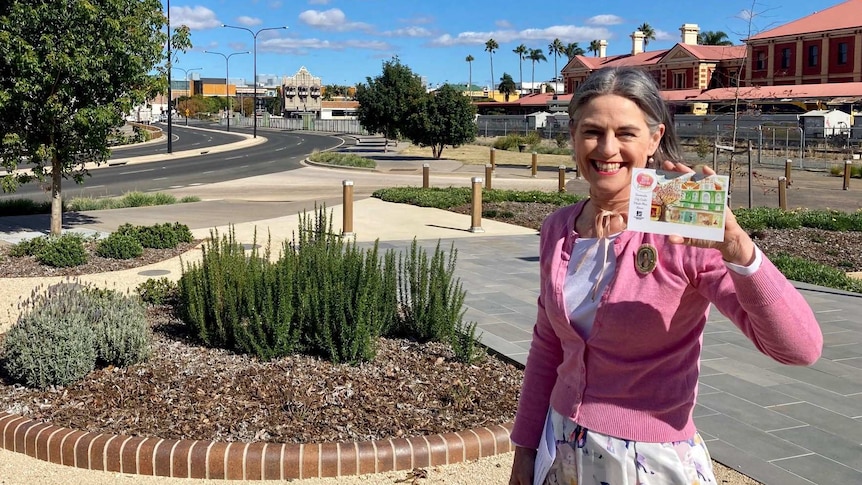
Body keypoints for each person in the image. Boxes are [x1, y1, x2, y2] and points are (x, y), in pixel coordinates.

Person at [508, 66, 823, 485]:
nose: (607, 148)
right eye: (592, 131)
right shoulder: (557, 228)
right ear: (572, 135)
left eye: (625, 133)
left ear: (654, 138)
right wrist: (525, 451)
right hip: (560, 446)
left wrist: (738, 250)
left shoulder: (682, 233)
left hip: (649, 462)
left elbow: (799, 348)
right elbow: (548, 345)